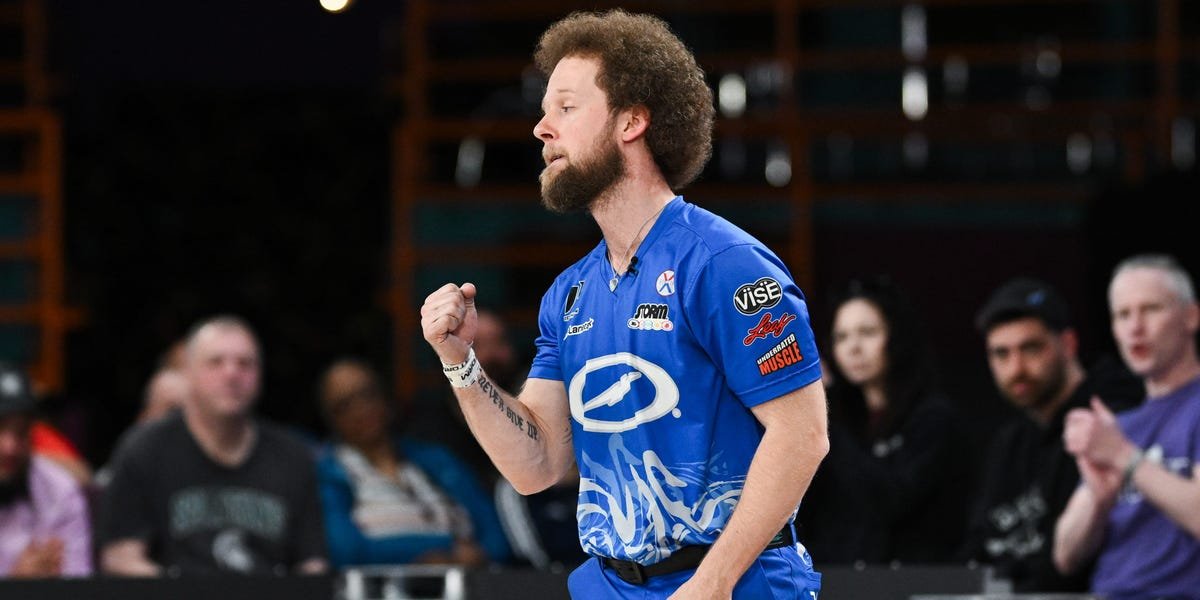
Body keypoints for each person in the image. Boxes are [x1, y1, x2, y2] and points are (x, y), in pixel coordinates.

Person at [420, 10, 828, 599]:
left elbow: (802, 435)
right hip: (609, 583)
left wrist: (713, 583)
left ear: (632, 121)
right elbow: (536, 467)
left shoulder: (723, 263)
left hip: (735, 583)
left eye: (565, 107)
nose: (541, 128)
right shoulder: (569, 294)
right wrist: (460, 363)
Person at [97, 316, 328, 576]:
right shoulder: (144, 449)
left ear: (260, 375)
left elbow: (313, 564)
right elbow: (119, 557)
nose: (231, 374)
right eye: (215, 362)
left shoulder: (292, 457)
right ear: (189, 374)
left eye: (245, 363)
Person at [964, 277, 1141, 592]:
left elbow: (1076, 565)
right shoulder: (1010, 442)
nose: (1016, 368)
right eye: (1001, 354)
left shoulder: (1113, 416)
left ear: (1068, 344)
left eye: (1031, 349)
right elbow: (977, 548)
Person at [1053, 254, 1200, 598]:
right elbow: (1064, 555)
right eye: (1122, 315)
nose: (1135, 327)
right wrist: (1099, 500)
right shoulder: (1121, 426)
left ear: (1191, 316)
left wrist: (1124, 457)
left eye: (1151, 309)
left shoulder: (1118, 440)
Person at [797, 277, 970, 565]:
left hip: (915, 579)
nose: (853, 347)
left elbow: (892, 500)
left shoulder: (933, 418)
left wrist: (824, 417)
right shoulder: (846, 417)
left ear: (897, 335)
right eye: (841, 337)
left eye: (867, 332)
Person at [315, 358, 510, 568]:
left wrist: (478, 555)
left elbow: (498, 537)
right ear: (331, 418)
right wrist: (443, 549)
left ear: (385, 396)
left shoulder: (437, 460)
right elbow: (345, 551)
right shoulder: (331, 474)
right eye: (344, 405)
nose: (361, 408)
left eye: (367, 394)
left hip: (470, 580)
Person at [0, 362, 92, 577]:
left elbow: (78, 581)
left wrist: (48, 584)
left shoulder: (59, 490)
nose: (9, 447)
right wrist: (14, 583)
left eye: (21, 431)